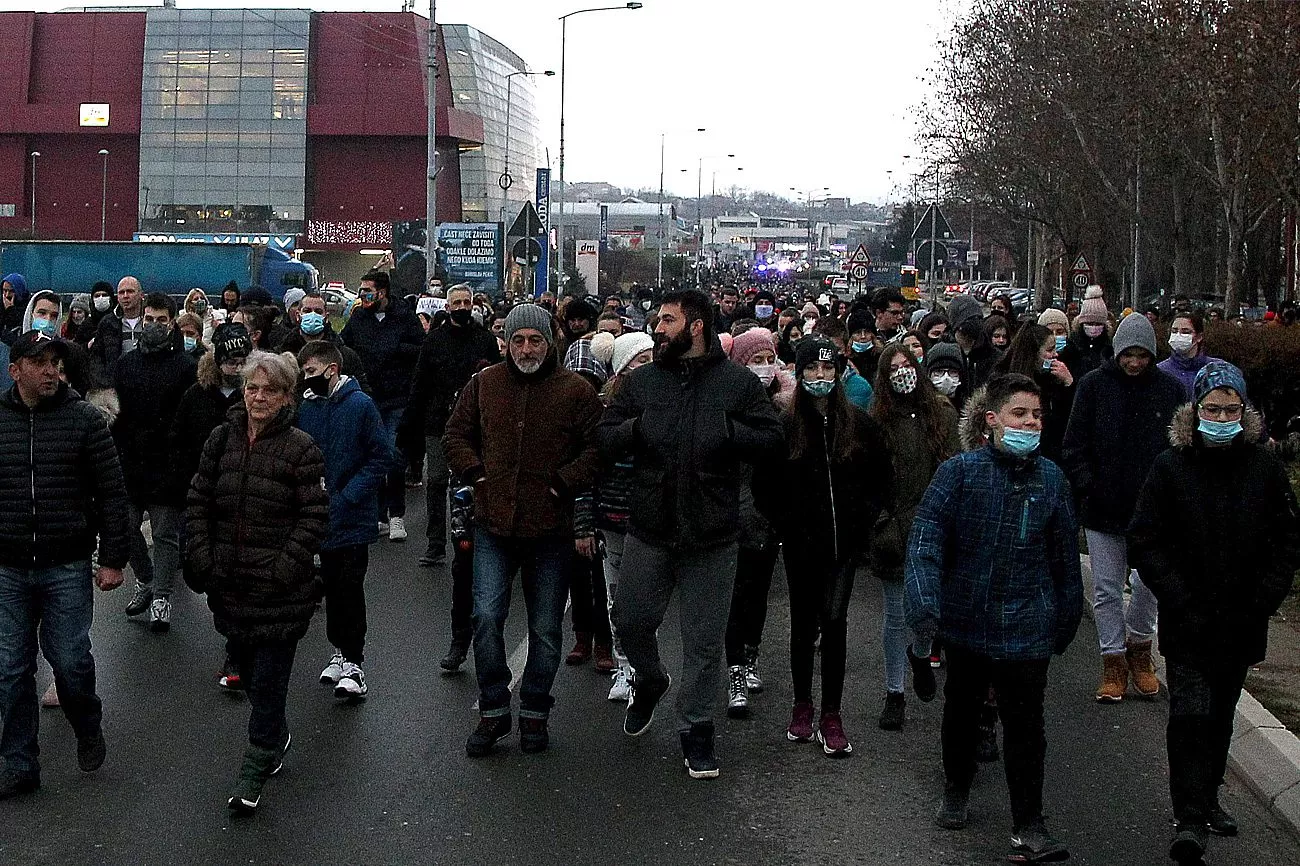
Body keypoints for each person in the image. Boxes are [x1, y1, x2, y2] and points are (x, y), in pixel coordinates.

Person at [597, 289, 785, 779]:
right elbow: (605, 435)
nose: (657, 328)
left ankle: (696, 729)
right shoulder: (643, 383)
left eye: (667, 320)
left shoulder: (736, 383)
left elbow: (773, 440)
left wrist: (730, 432)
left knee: (703, 643)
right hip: (650, 529)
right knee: (631, 621)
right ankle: (650, 679)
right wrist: (636, 429)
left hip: (712, 535)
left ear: (696, 326)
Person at [906, 373, 1083, 863]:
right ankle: (956, 786)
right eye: (1018, 414)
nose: (1030, 423)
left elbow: (1065, 558)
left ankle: (1030, 824)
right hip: (968, 621)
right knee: (962, 712)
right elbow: (926, 538)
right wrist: (925, 602)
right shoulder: (959, 474)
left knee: (1026, 727)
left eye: (1037, 415)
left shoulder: (1051, 480)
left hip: (1027, 625)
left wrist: (1065, 617)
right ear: (992, 420)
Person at [1129, 362, 1300, 865]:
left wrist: (1264, 598)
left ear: (1244, 411)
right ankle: (1188, 816)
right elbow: (1145, 537)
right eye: (1212, 409)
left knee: (1222, 713)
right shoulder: (1171, 466)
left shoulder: (1264, 468)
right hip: (1188, 617)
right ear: (1195, 410)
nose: (1222, 418)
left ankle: (1208, 795)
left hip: (1242, 618)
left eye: (1231, 409)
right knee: (1190, 714)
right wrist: (1177, 594)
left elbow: (1287, 540)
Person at [444, 304, 603, 758]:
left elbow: (597, 448)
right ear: (507, 343)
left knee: (546, 629)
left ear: (549, 343)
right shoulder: (484, 384)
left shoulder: (575, 390)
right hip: (494, 524)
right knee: (486, 617)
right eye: (518, 340)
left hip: (550, 530)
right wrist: (475, 473)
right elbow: (455, 435)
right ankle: (494, 709)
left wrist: (563, 482)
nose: (526, 349)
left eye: (535, 340)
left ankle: (535, 709)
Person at [185, 350, 327, 814]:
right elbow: (199, 499)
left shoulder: (301, 448)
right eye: (252, 388)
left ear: (286, 397)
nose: (259, 397)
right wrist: (201, 557)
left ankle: (255, 766)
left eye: (269, 390)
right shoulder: (221, 439)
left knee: (269, 680)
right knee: (247, 674)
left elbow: (313, 517)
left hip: (280, 592)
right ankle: (275, 733)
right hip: (230, 586)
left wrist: (283, 569)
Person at [0, 331, 129, 800]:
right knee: (10, 669)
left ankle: (86, 721)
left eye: (56, 362)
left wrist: (112, 558)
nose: (51, 371)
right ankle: (19, 763)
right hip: (8, 566)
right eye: (40, 363)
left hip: (66, 565)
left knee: (70, 660)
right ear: (15, 370)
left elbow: (112, 493)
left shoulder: (84, 420)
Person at [1062, 312, 1183, 703]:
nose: (1134, 362)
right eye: (1128, 355)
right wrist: (1089, 486)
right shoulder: (1093, 386)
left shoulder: (1169, 390)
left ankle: (1140, 649)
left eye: (1141, 355)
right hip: (1103, 508)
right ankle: (1112, 661)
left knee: (1149, 585)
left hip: (1154, 512)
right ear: (1117, 354)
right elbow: (1074, 443)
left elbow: (1180, 447)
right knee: (1107, 589)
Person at [776, 338, 889, 756]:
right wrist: (786, 524)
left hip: (844, 546)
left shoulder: (860, 425)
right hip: (800, 544)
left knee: (836, 621)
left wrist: (863, 523)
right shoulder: (786, 426)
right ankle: (802, 704)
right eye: (811, 369)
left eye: (826, 369)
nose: (819, 376)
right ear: (800, 373)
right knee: (803, 626)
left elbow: (881, 479)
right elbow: (767, 483)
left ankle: (832, 713)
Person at [297, 341, 393, 702]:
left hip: (353, 516)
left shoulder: (361, 405)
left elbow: (380, 456)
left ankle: (355, 663)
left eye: (311, 371)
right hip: (321, 515)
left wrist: (349, 495)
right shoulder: (308, 407)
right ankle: (339, 652)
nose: (307, 378)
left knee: (350, 587)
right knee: (332, 586)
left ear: (332, 370)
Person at [869, 344, 958, 730]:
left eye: (907, 365)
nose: (902, 373)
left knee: (929, 613)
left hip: (936, 528)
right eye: (893, 369)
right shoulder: (877, 420)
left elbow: (956, 468)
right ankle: (895, 693)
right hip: (894, 531)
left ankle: (920, 654)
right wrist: (881, 523)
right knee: (895, 616)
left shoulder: (942, 413)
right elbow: (869, 479)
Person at [169, 322, 252, 687]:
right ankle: (232, 632)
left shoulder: (256, 394)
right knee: (206, 574)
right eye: (230, 360)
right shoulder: (196, 395)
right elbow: (178, 441)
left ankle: (238, 652)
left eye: (242, 360)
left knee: (240, 579)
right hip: (204, 499)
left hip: (247, 502)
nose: (236, 367)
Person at [402, 284, 501, 574]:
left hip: (475, 423)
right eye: (456, 303)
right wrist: (410, 423)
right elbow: (420, 382)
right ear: (447, 307)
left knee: (471, 481)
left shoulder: (485, 340)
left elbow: (497, 380)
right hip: (438, 422)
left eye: (466, 302)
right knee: (436, 481)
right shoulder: (434, 341)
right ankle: (435, 543)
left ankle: (470, 538)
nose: (461, 308)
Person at [115, 293, 198, 632]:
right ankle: (145, 579)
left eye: (161, 320)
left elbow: (190, 420)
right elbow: (116, 416)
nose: (153, 325)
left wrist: (184, 464)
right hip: (130, 462)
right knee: (123, 525)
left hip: (168, 464)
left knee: (165, 534)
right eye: (148, 319)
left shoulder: (186, 367)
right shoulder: (126, 364)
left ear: (172, 323)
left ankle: (161, 598)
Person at [722, 327, 792, 718]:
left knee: (758, 594)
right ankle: (735, 669)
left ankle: (751, 655)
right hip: (730, 515)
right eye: (755, 361)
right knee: (734, 595)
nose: (764, 368)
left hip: (767, 516)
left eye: (769, 360)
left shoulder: (785, 407)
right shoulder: (725, 404)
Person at [340, 271, 426, 543]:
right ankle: (378, 516)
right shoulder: (358, 318)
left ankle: (396, 514)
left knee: (394, 456)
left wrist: (395, 349)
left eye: (367, 290)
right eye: (361, 290)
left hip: (398, 398)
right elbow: (344, 347)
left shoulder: (404, 317)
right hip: (369, 398)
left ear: (383, 292)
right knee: (372, 456)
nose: (362, 295)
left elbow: (420, 350)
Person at [993, 324, 1075, 464]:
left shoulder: (1054, 380)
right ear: (1033, 353)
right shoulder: (1003, 381)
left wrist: (1069, 383)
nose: (1055, 354)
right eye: (1049, 350)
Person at [275, 291, 367, 385]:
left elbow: (361, 387)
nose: (312, 315)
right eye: (307, 311)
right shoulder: (282, 354)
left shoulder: (346, 356)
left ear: (326, 317)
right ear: (298, 316)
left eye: (318, 312)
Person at [1157, 311, 1222, 401]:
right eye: (1174, 331)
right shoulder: (1160, 371)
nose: (1178, 336)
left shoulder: (1218, 368)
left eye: (1185, 332)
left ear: (1199, 337)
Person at [92, 276, 146, 379]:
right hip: (115, 383)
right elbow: (96, 358)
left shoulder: (150, 321)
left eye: (130, 291)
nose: (125, 296)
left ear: (141, 295)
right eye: (121, 292)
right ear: (117, 297)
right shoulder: (107, 323)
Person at [1058, 297, 1112, 384]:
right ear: (1081, 324)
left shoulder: (1109, 350)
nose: (1094, 327)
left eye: (1098, 324)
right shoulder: (1071, 348)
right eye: (1089, 323)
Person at [0, 273, 29, 344]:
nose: (7, 295)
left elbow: (23, 323)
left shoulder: (28, 305)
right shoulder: (1, 303)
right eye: (5, 291)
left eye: (11, 291)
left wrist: (10, 309)